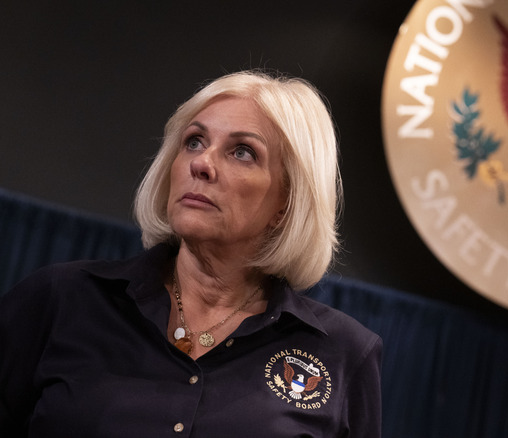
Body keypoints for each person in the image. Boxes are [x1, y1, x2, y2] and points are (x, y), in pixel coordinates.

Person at [0, 71, 382, 437]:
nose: (201, 163)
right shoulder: (62, 298)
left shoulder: (344, 352)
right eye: (194, 141)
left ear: (287, 202)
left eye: (242, 152)